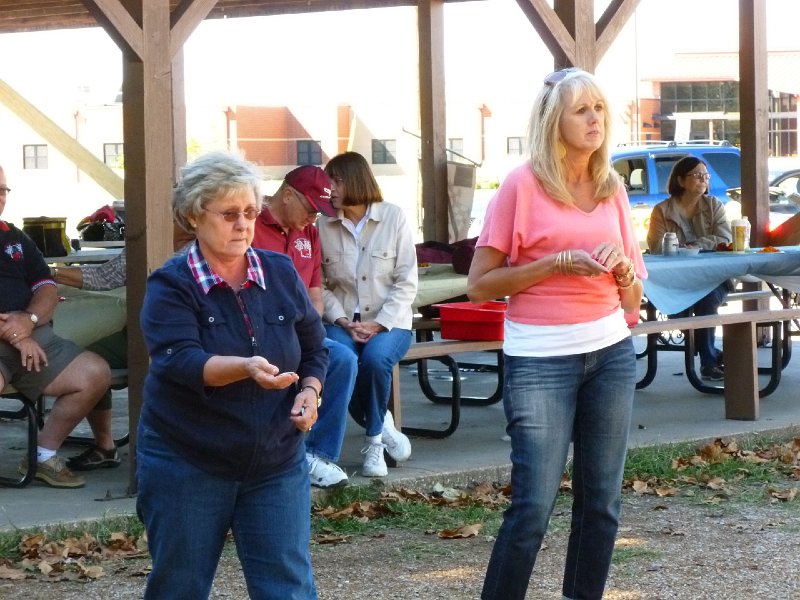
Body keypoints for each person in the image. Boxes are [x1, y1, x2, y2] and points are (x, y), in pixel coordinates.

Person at [467, 68, 646, 600]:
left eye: (599, 108)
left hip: (610, 352)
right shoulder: (522, 185)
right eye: (582, 110)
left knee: (602, 504)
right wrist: (553, 265)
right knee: (531, 509)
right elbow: (479, 285)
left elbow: (633, 301)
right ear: (554, 120)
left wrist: (625, 274)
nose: (596, 119)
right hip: (541, 359)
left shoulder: (612, 187)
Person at [137, 151, 327, 599]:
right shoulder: (171, 284)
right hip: (188, 461)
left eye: (249, 212)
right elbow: (179, 361)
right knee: (179, 587)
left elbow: (316, 347)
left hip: (277, 462)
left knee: (288, 589)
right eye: (228, 214)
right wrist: (244, 368)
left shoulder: (279, 271)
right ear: (193, 216)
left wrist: (310, 391)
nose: (243, 224)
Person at [0, 164, 111, 489]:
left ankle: (43, 456)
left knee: (95, 373)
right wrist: (17, 334)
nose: (0, 197)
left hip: (34, 336)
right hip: (18, 340)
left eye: (3, 189)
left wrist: (29, 321)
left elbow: (46, 286)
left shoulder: (14, 237)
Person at [252, 165, 357, 489]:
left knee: (342, 358)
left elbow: (314, 291)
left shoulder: (308, 233)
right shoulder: (250, 224)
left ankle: (316, 454)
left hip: (299, 329)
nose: (315, 218)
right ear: (287, 195)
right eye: (311, 208)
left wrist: (309, 331)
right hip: (258, 331)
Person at [318, 151, 417, 477]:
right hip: (342, 321)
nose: (328, 187)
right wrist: (344, 321)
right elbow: (320, 284)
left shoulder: (393, 217)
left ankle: (374, 442)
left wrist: (380, 323)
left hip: (391, 323)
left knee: (374, 361)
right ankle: (383, 425)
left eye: (335, 180)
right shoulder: (323, 225)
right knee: (340, 361)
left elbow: (406, 281)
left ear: (353, 180)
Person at [647, 156, 732, 381]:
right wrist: (675, 245)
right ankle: (709, 350)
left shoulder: (714, 205)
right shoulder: (662, 211)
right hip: (675, 279)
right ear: (681, 180)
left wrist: (695, 245)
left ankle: (708, 362)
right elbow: (656, 246)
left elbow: (724, 238)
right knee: (672, 304)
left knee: (707, 297)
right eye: (697, 175)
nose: (703, 180)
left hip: (713, 277)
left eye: (706, 175)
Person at [50, 249, 127, 470]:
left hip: (180, 337)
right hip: (140, 330)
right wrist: (50, 273)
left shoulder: (199, 248)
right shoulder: (143, 238)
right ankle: (105, 446)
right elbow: (105, 276)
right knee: (87, 362)